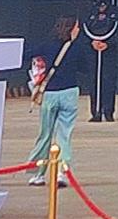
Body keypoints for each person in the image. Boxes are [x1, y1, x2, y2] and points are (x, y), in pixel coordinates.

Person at [27, 12, 101, 178]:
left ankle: (37, 174)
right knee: (64, 135)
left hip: (50, 93)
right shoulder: (77, 47)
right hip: (69, 92)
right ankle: (62, 172)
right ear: (71, 29)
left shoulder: (47, 45)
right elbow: (85, 68)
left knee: (45, 134)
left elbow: (30, 55)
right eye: (77, 26)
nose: (78, 29)